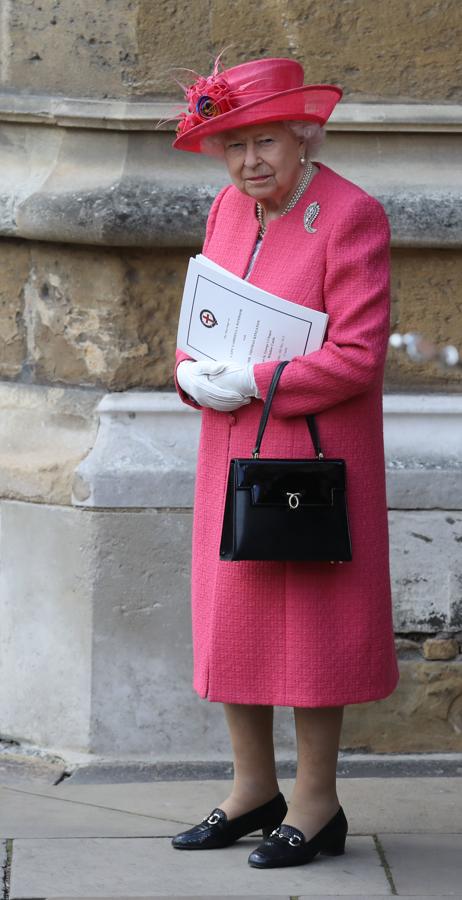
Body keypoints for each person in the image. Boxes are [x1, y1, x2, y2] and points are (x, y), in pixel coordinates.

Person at [170, 56, 399, 869]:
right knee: (235, 619)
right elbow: (202, 317)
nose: (248, 162)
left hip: (314, 459)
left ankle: (316, 803)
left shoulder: (350, 215)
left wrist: (257, 380)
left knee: (311, 632)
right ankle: (251, 791)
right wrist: (193, 374)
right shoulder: (226, 210)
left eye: (264, 140)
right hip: (231, 445)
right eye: (232, 146)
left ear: (304, 135)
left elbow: (358, 357)